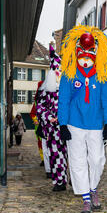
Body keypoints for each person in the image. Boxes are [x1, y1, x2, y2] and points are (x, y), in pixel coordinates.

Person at [58, 25, 107, 213]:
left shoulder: (103, 74)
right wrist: (62, 123)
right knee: (78, 161)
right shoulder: (69, 74)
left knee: (97, 159)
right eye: (83, 52)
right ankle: (86, 198)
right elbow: (63, 99)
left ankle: (93, 187)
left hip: (96, 124)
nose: (86, 58)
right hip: (74, 124)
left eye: (90, 52)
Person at [36, 56, 68, 192]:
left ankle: (77, 181)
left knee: (74, 154)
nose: (58, 73)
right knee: (56, 155)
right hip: (53, 130)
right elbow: (40, 107)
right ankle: (59, 181)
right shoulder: (45, 91)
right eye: (56, 70)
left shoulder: (69, 87)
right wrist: (49, 117)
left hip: (70, 126)